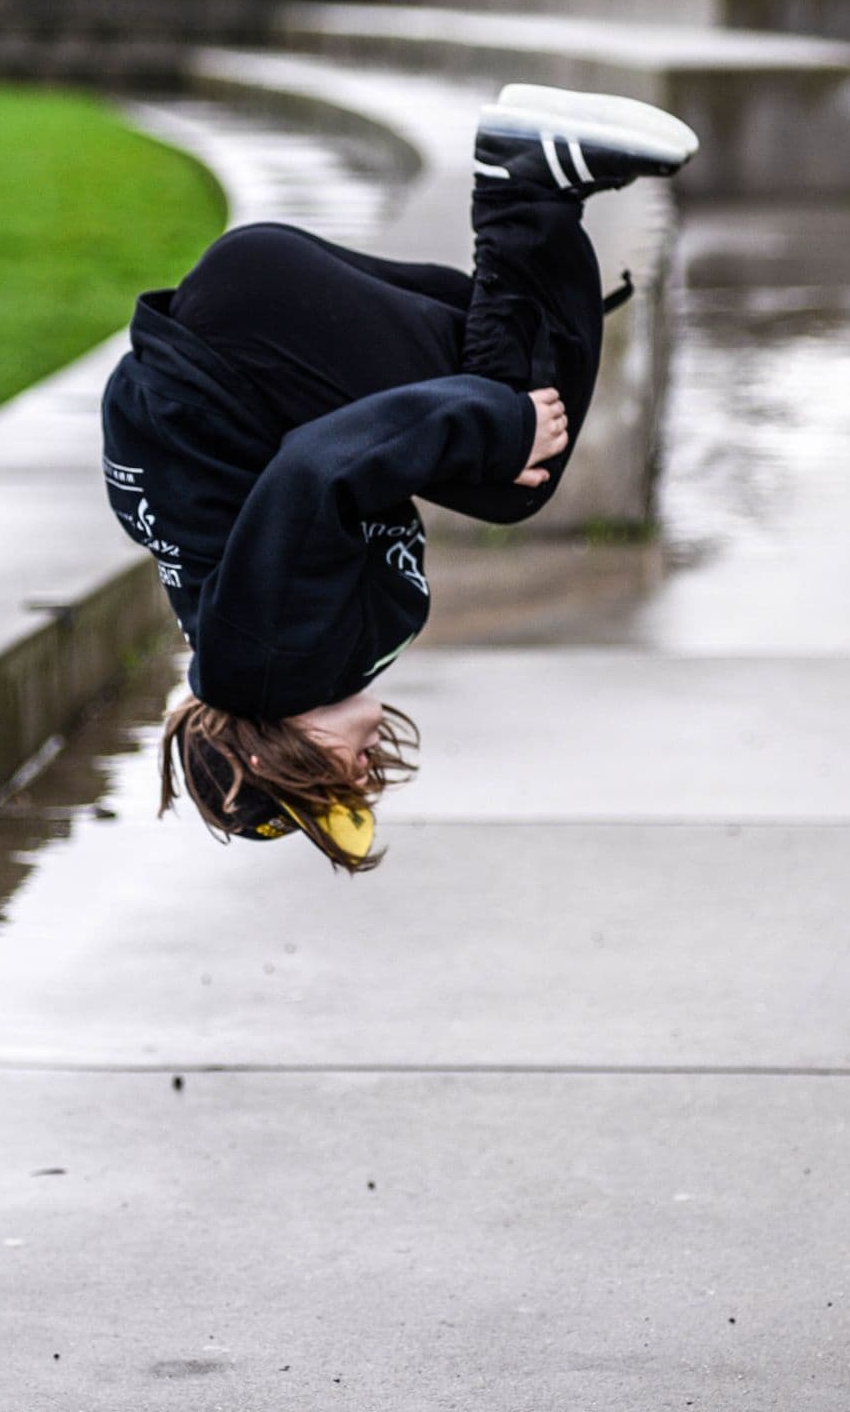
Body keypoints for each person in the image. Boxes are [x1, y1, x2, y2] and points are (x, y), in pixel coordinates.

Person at [102, 83, 698, 871]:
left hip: (250, 339)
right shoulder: (265, 651)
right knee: (497, 405)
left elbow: (316, 471)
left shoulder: (276, 656)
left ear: (277, 749)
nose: (364, 777)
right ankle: (542, 189)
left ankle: (529, 182)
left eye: (332, 785)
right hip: (249, 323)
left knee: (511, 462)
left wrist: (501, 427)